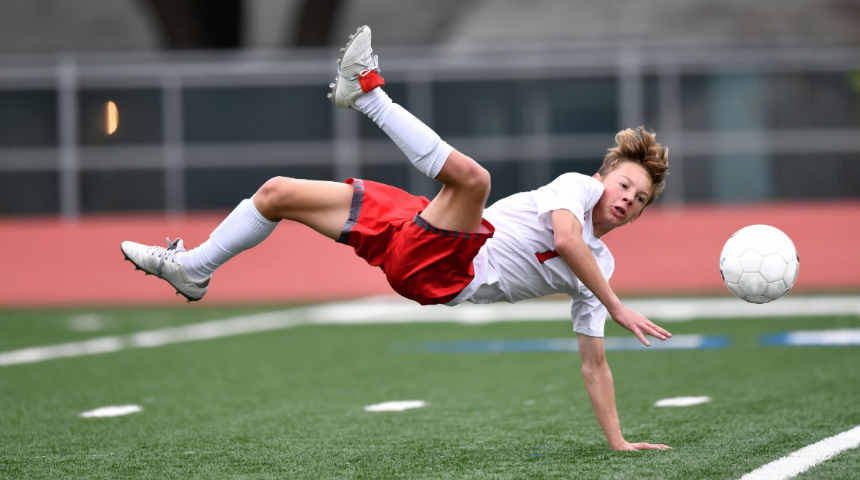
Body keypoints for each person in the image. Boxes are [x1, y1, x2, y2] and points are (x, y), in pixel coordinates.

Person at [121, 26, 672, 451]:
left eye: (640, 198)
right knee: (276, 193)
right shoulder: (575, 191)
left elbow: (594, 364)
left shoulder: (601, 269)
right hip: (426, 234)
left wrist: (618, 441)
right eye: (625, 183)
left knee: (474, 180)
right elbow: (567, 239)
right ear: (602, 179)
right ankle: (195, 269)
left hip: (447, 269)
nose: (627, 197)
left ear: (639, 213)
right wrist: (617, 306)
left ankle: (367, 93)